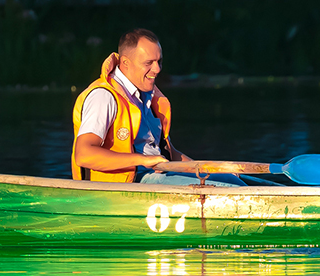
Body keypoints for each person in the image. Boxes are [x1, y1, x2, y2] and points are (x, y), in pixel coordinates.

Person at [72, 29, 242, 186]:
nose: (157, 69)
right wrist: (143, 160)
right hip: (130, 184)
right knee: (229, 187)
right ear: (125, 63)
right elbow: (83, 154)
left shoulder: (147, 96)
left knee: (232, 180)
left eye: (159, 61)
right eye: (149, 63)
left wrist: (208, 169)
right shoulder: (103, 96)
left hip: (159, 174)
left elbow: (170, 154)